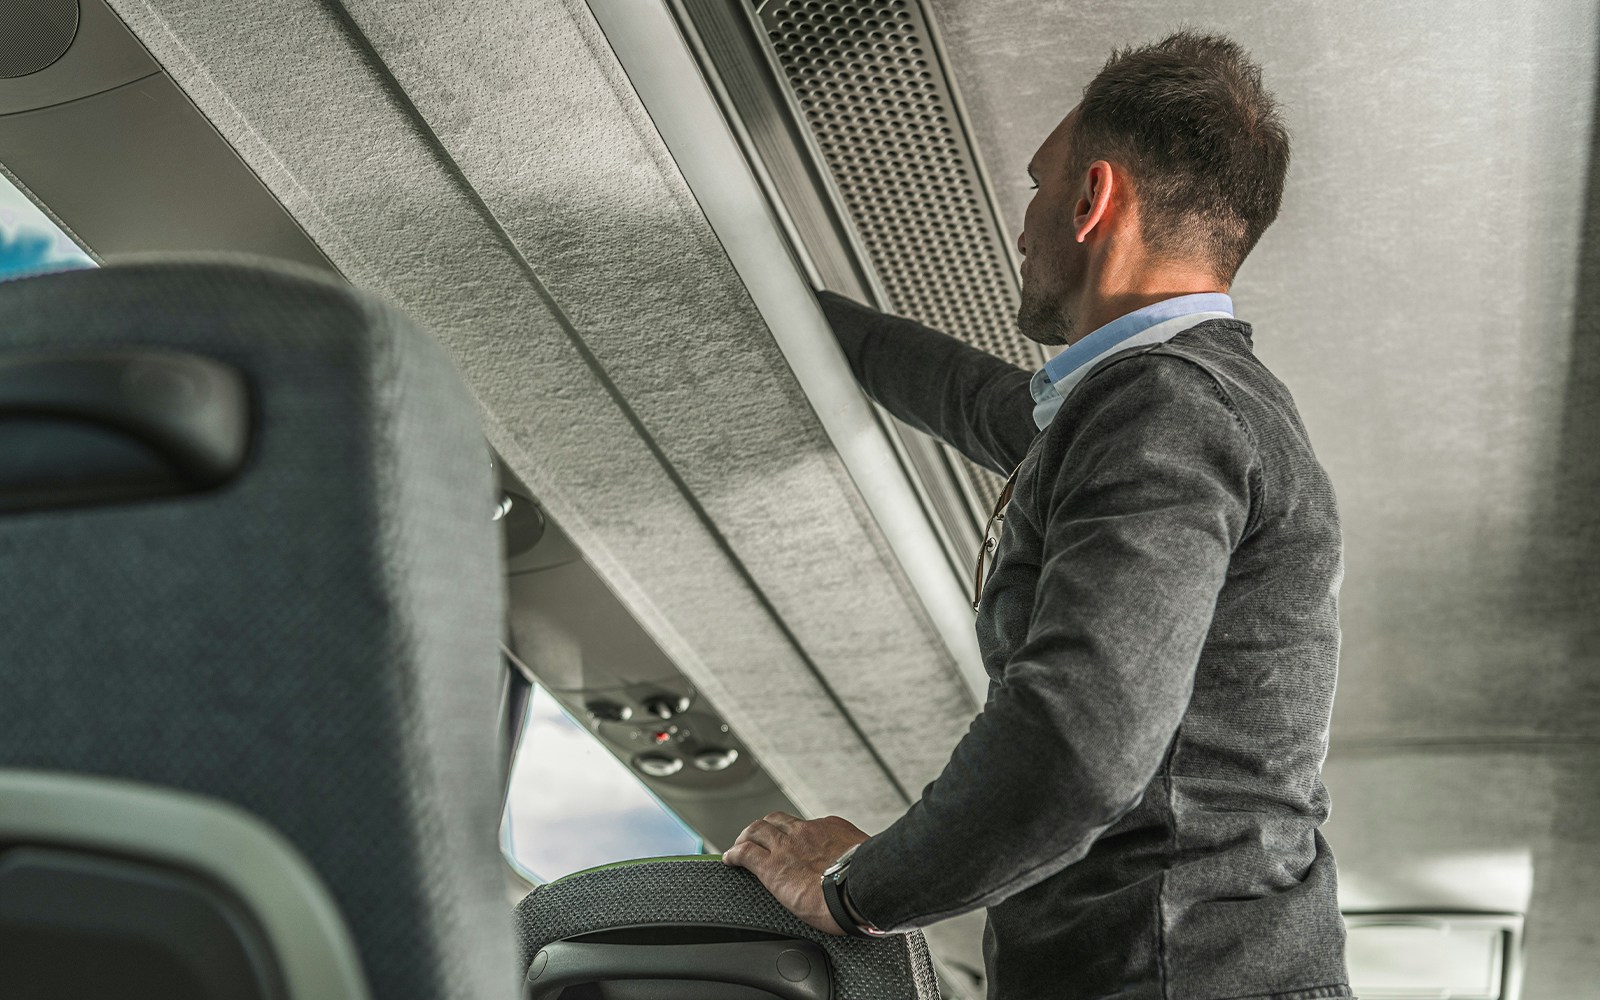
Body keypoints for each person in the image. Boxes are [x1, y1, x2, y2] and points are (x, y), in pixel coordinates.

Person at [721, 29, 1351, 1000]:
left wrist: (856, 890)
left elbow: (1075, 742)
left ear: (1093, 200)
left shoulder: (1168, 404)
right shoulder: (1171, 402)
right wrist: (757, 299)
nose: (1025, 229)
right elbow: (977, 400)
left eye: (1036, 188)